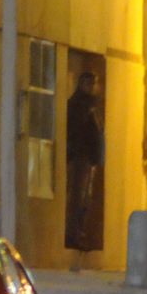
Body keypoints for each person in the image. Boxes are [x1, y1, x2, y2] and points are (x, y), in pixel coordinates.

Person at [65, 71, 103, 255]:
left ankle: (79, 232)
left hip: (88, 158)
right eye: (89, 83)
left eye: (93, 83)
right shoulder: (78, 104)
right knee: (78, 198)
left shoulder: (90, 105)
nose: (92, 87)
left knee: (85, 199)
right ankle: (73, 234)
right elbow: (76, 130)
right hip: (80, 156)